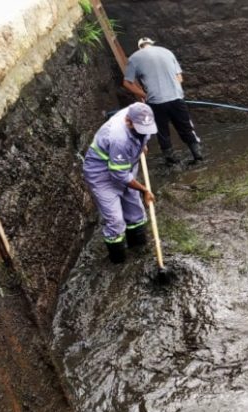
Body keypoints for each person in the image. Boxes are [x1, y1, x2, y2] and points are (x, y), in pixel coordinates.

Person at [83, 103, 157, 263]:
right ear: (128, 122)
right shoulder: (119, 138)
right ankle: (118, 261)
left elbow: (144, 133)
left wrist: (142, 144)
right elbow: (120, 176)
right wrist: (144, 190)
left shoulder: (141, 114)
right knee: (115, 221)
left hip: (126, 163)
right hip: (101, 173)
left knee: (135, 210)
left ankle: (139, 249)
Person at [123, 37, 203, 166]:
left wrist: (144, 94)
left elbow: (127, 83)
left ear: (140, 47)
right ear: (152, 44)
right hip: (176, 98)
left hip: (155, 102)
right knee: (186, 128)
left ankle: (171, 162)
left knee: (162, 131)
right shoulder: (167, 52)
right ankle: (198, 157)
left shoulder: (134, 58)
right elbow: (179, 78)